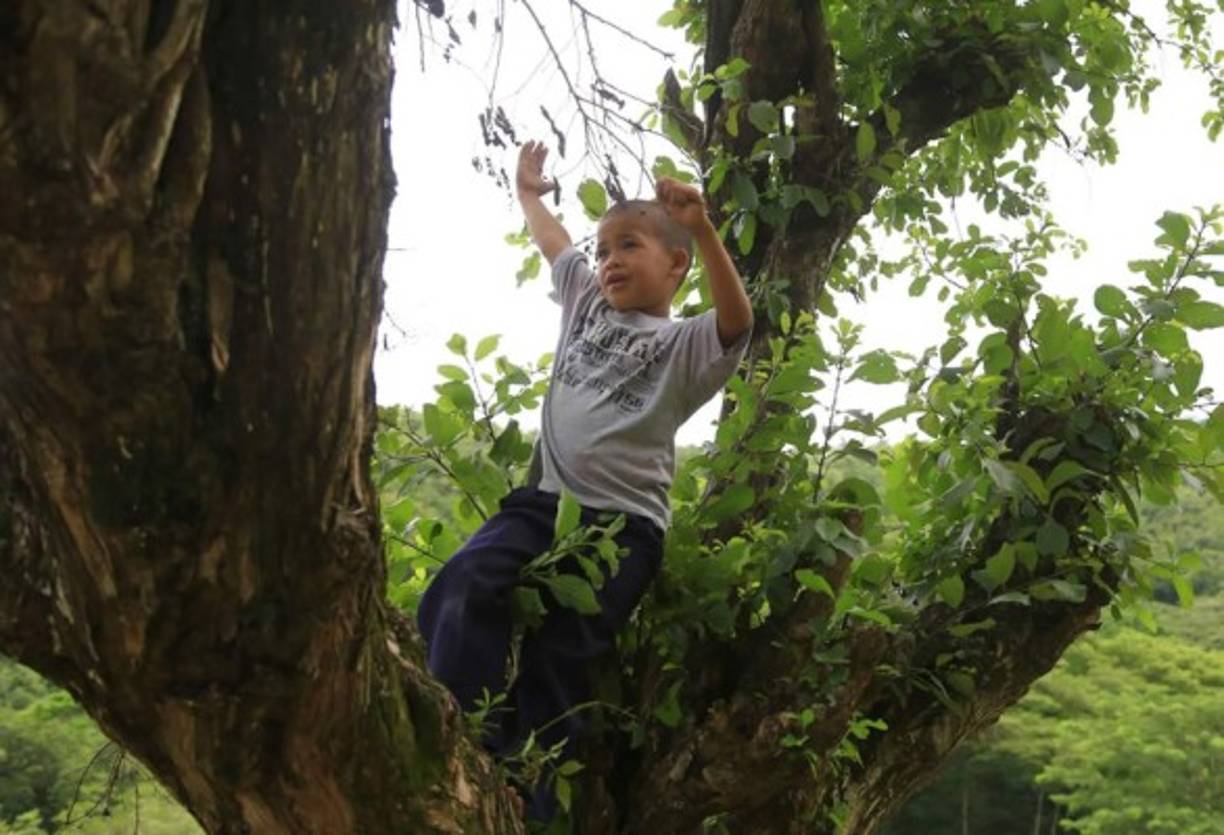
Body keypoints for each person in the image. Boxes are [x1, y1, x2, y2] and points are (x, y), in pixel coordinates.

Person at [416, 140, 753, 821]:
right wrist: (529, 196)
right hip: (543, 504)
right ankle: (459, 740)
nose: (608, 261)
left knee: (559, 659)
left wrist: (703, 227)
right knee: (460, 585)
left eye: (628, 245)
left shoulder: (682, 346)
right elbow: (554, 245)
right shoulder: (585, 304)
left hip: (621, 529)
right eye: (603, 251)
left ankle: (531, 803)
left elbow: (736, 319)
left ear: (675, 264)